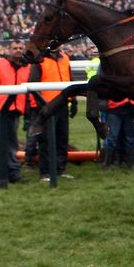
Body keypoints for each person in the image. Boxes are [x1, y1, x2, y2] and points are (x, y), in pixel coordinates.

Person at [0, 40, 32, 183]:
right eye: (15, 48)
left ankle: (12, 171)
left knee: (12, 142)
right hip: (0, 110)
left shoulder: (27, 67)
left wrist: (27, 115)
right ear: (9, 50)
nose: (18, 50)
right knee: (2, 141)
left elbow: (28, 93)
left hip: (16, 110)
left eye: (20, 48)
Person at [36, 48, 77, 179]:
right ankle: (45, 171)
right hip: (47, 105)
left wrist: (73, 100)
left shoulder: (65, 58)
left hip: (62, 104)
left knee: (62, 138)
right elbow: (34, 82)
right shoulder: (40, 59)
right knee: (46, 140)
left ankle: (60, 169)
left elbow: (69, 79)